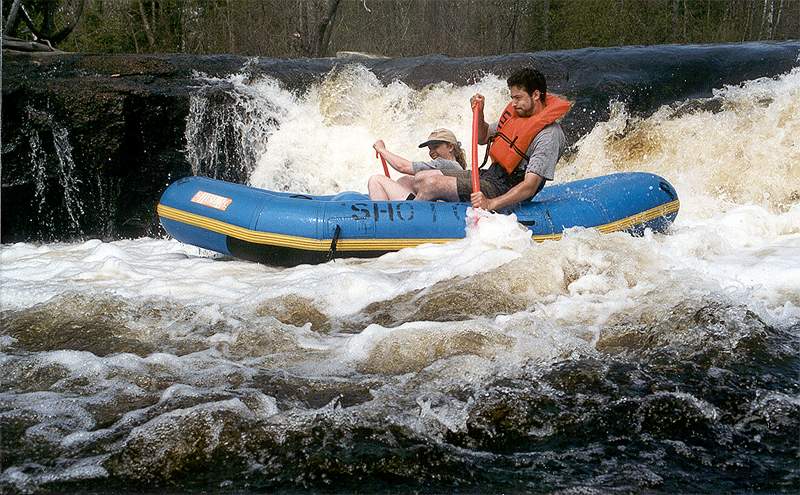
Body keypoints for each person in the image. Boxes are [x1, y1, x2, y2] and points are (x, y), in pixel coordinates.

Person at [412, 67, 571, 210]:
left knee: (431, 184)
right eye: (512, 98)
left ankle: (410, 220)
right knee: (421, 177)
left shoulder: (548, 136)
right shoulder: (517, 116)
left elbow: (530, 186)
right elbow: (482, 137)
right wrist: (480, 112)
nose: (513, 104)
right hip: (490, 176)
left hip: (503, 190)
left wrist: (491, 203)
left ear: (536, 95)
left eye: (518, 98)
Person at [368, 128, 467, 200]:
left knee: (376, 180)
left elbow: (402, 167)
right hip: (434, 208)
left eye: (436, 147)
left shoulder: (448, 164)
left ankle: (384, 219)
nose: (432, 152)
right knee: (405, 180)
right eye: (430, 149)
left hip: (430, 212)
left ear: (450, 147)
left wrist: (381, 150)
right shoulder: (455, 166)